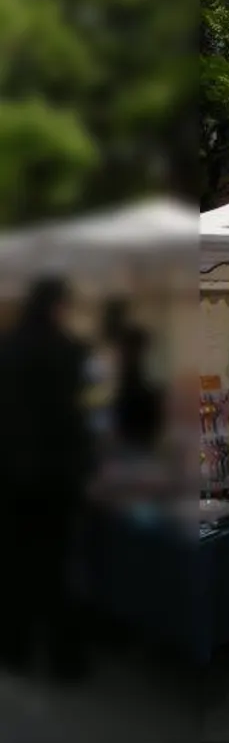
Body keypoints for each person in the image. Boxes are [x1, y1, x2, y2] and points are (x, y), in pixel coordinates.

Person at [0, 279, 94, 681]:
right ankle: (63, 659)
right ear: (57, 306)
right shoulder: (68, 349)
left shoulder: (7, 347)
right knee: (58, 565)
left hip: (11, 473)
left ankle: (15, 648)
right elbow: (78, 411)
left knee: (15, 561)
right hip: (57, 474)